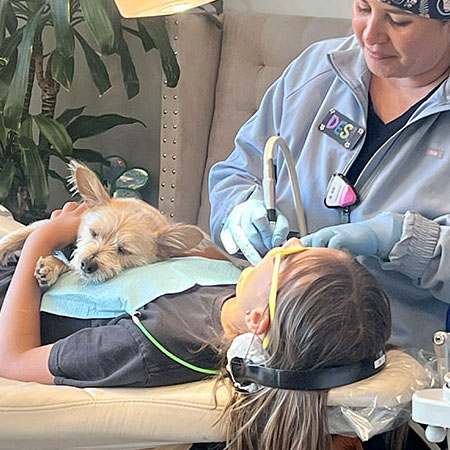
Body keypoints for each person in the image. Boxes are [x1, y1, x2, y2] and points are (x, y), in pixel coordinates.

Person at [0, 202, 392, 449]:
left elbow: (14, 361)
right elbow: (182, 246)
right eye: (298, 246)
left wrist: (42, 240)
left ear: (260, 319)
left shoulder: (157, 342)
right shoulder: (233, 284)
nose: (281, 246)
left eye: (287, 259)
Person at [209, 0, 450, 352]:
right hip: (276, 338)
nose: (370, 35)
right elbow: (234, 172)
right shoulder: (317, 70)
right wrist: (239, 212)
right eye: (363, 8)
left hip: (399, 358)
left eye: (398, 21)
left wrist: (403, 240)